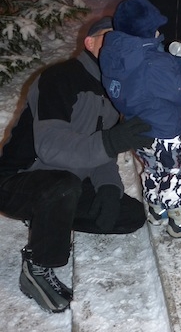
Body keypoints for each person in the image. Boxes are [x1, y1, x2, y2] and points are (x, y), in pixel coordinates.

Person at [0, 16, 152, 314]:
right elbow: (50, 147)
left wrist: (109, 187)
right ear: (89, 42)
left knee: (129, 215)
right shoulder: (59, 78)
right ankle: (37, 267)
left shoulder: (112, 89)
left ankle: (49, 218)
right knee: (62, 186)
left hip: (66, 184)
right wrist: (110, 141)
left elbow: (101, 154)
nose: (116, 45)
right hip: (19, 180)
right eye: (108, 37)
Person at [99, 0, 181, 238]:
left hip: (137, 128)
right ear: (147, 31)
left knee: (152, 168)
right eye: (155, 27)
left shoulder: (113, 54)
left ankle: (157, 210)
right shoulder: (154, 63)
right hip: (165, 129)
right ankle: (180, 220)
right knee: (175, 171)